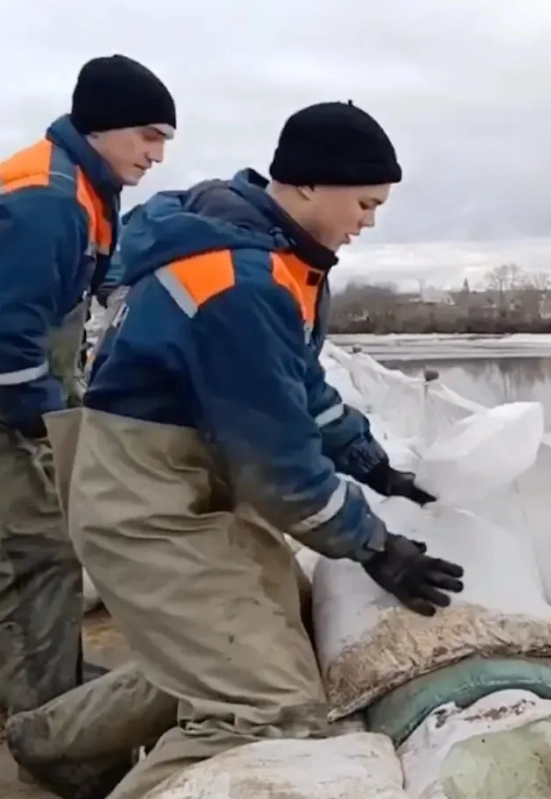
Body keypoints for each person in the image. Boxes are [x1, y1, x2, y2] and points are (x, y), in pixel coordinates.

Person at [48, 101, 464, 798]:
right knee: (271, 710)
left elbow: (299, 385)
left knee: (260, 635)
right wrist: (377, 547)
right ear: (309, 184)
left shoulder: (273, 257)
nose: (369, 220)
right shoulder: (239, 280)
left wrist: (372, 463)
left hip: (186, 485)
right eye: (364, 202)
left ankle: (48, 744)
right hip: (147, 506)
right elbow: (280, 470)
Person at [0, 54, 175, 726]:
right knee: (36, 552)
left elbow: (91, 289)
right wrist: (48, 427)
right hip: (10, 402)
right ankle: (46, 722)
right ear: (103, 127)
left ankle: (49, 681)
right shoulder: (48, 200)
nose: (157, 154)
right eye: (149, 136)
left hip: (25, 395)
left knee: (37, 547)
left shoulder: (85, 190)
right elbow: (10, 335)